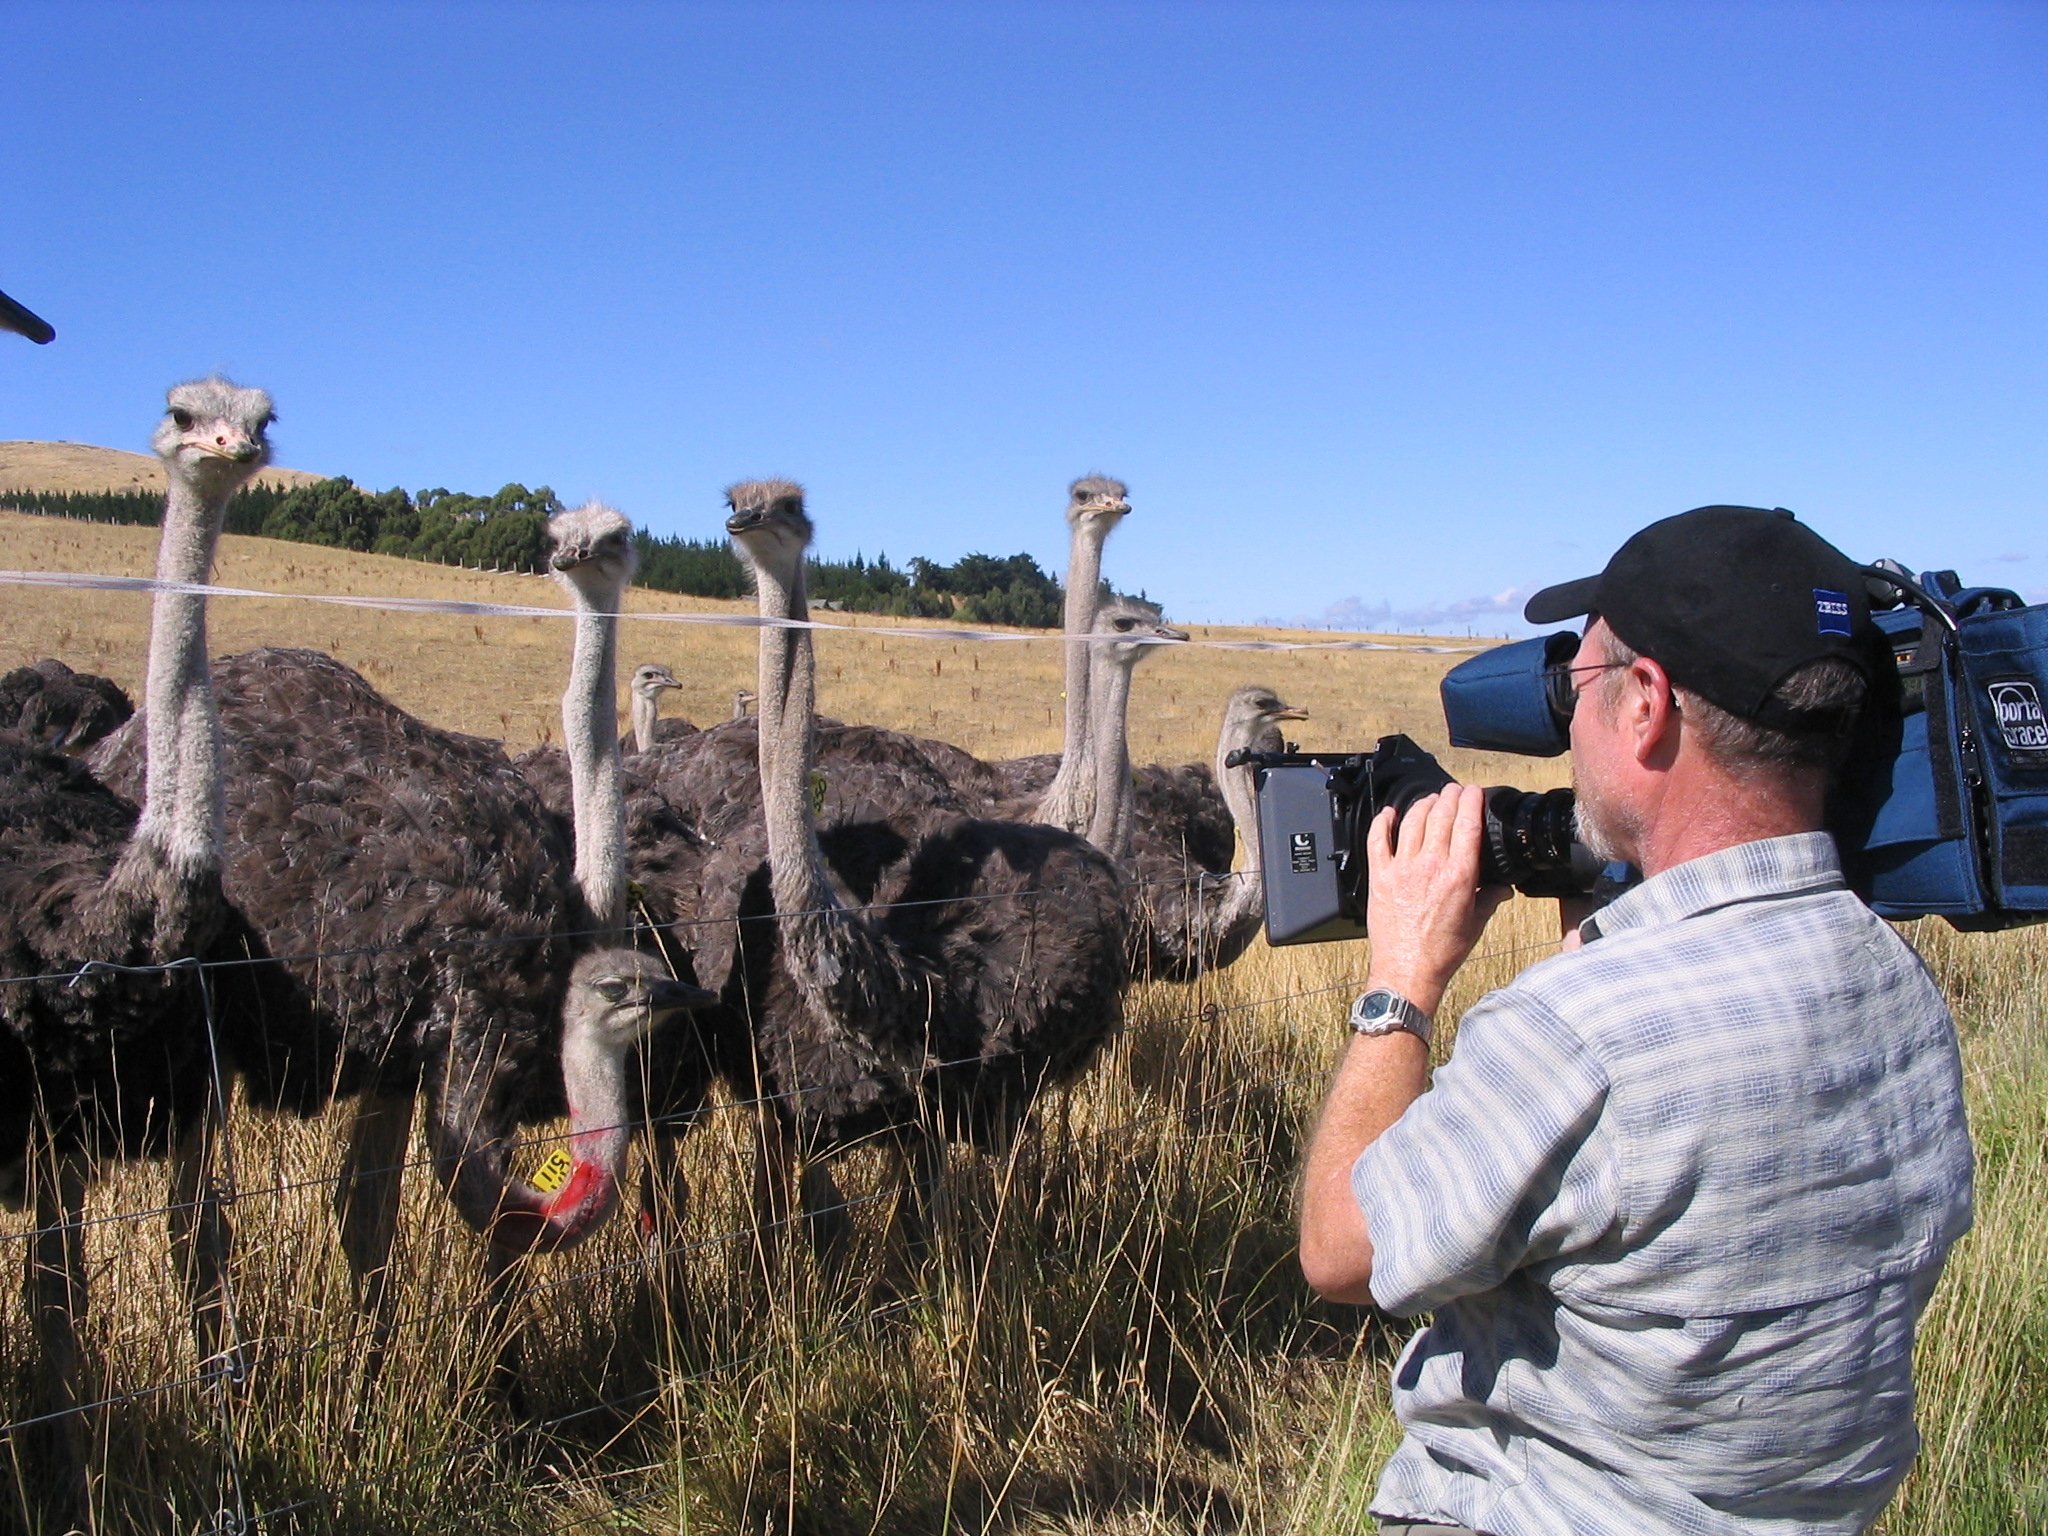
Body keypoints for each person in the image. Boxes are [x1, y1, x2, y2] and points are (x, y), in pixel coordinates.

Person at [1297, 506, 1974, 1536]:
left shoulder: (1578, 1038)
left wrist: (1400, 983)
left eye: (1577, 684)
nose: (1564, 720)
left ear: (1645, 704)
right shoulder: (1896, 987)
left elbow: (1340, 1249)